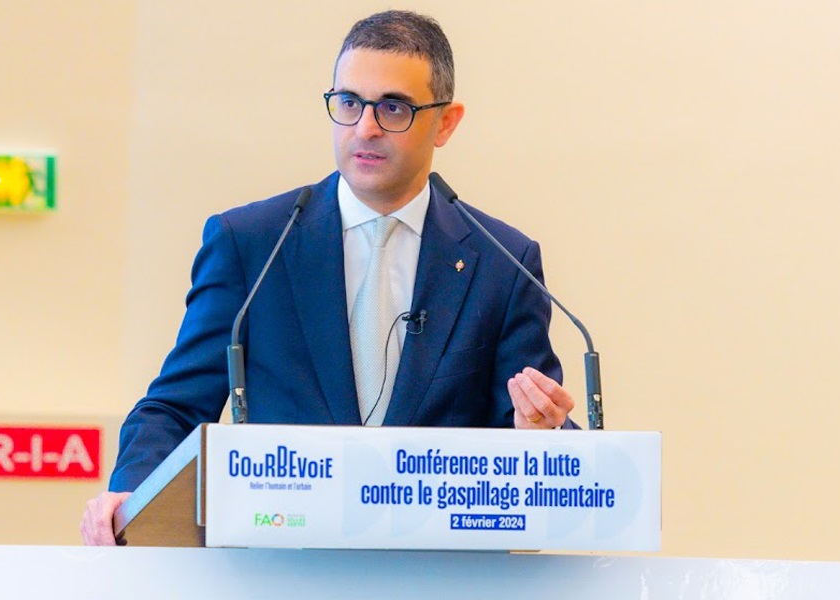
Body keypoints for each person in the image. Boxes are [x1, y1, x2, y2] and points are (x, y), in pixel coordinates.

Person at [81, 9, 575, 546]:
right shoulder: (253, 243)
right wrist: (133, 493)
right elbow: (174, 407)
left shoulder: (503, 261)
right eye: (349, 103)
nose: (365, 128)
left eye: (393, 108)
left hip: (438, 568)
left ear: (446, 123)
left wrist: (539, 432)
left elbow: (540, 431)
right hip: (280, 564)